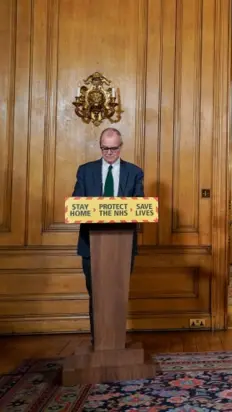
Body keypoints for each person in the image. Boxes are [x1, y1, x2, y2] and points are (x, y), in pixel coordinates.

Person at [72, 127, 144, 345]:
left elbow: (140, 206)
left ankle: (117, 343)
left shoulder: (134, 172)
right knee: (97, 294)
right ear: (100, 146)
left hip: (123, 246)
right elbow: (77, 204)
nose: (109, 153)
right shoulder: (85, 171)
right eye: (105, 148)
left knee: (117, 293)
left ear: (121, 147)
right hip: (91, 245)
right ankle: (99, 342)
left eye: (113, 148)